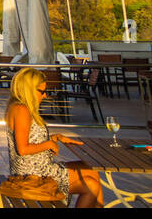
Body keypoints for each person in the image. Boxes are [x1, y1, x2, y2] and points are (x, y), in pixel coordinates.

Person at [7, 67, 102, 207]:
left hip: (38, 169)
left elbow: (30, 138)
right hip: (33, 175)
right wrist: (49, 145)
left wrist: (54, 138)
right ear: (28, 89)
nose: (45, 96)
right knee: (91, 185)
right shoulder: (21, 110)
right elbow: (22, 149)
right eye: (42, 92)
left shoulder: (18, 107)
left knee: (90, 170)